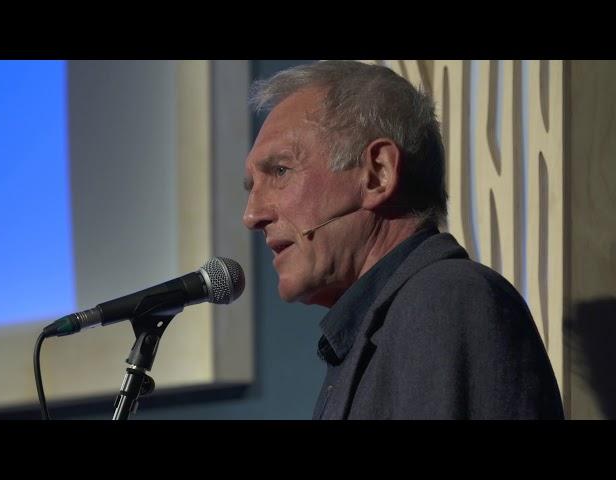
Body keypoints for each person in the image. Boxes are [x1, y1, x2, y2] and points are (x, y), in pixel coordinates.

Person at [242, 60, 564, 419]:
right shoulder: (380, 327)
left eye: (280, 171)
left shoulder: (446, 299)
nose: (252, 216)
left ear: (378, 173)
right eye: (251, 186)